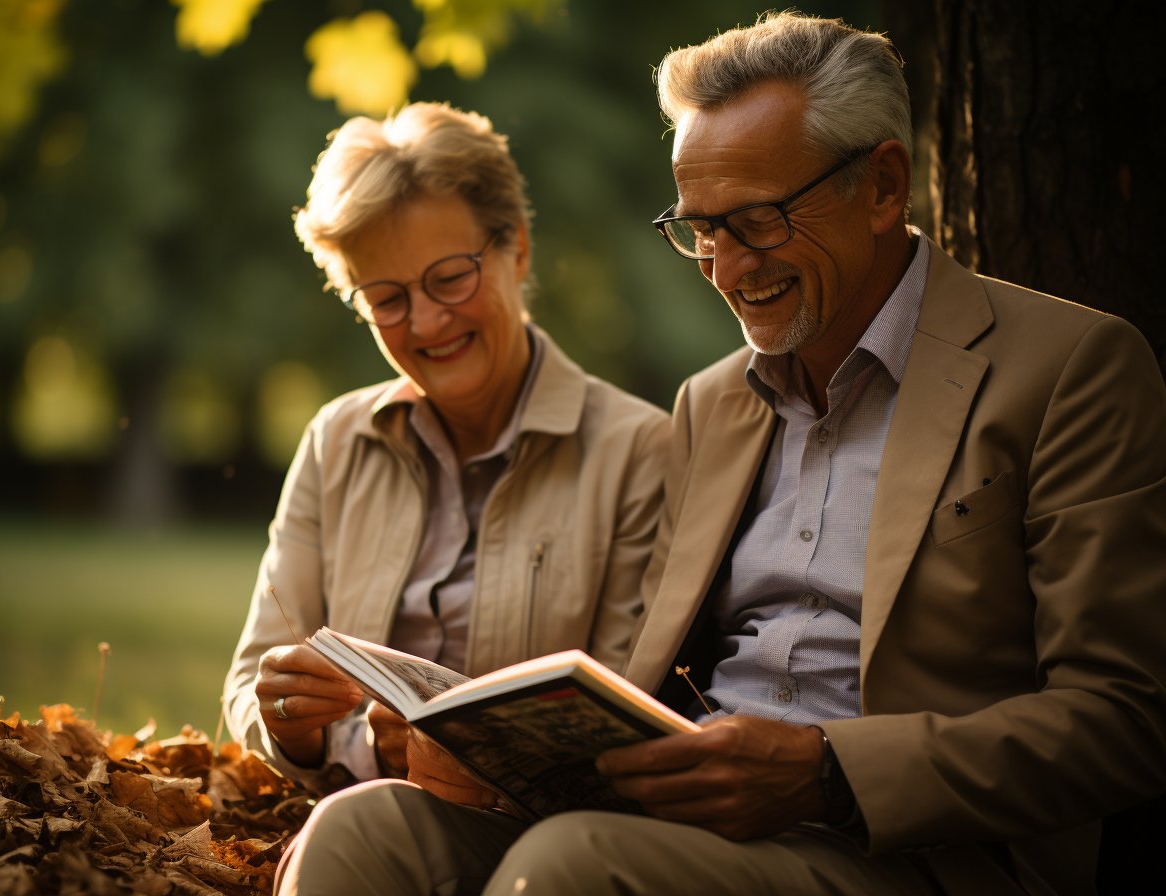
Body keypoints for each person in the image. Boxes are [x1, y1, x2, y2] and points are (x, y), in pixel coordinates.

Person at [275, 11, 1166, 895]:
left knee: (575, 864)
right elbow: (649, 674)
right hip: (684, 825)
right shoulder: (711, 405)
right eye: (699, 228)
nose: (725, 268)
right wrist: (507, 760)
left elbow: (1123, 721)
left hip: (912, 854)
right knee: (364, 829)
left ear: (884, 185)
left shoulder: (1068, 367)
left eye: (757, 222)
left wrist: (826, 770)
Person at [222, 101, 669, 793]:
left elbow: (633, 717)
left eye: (450, 278)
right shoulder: (334, 442)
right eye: (387, 299)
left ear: (517, 248)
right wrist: (292, 724)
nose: (428, 322)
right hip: (341, 813)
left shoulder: (640, 453)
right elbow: (253, 682)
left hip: (529, 838)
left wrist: (461, 748)